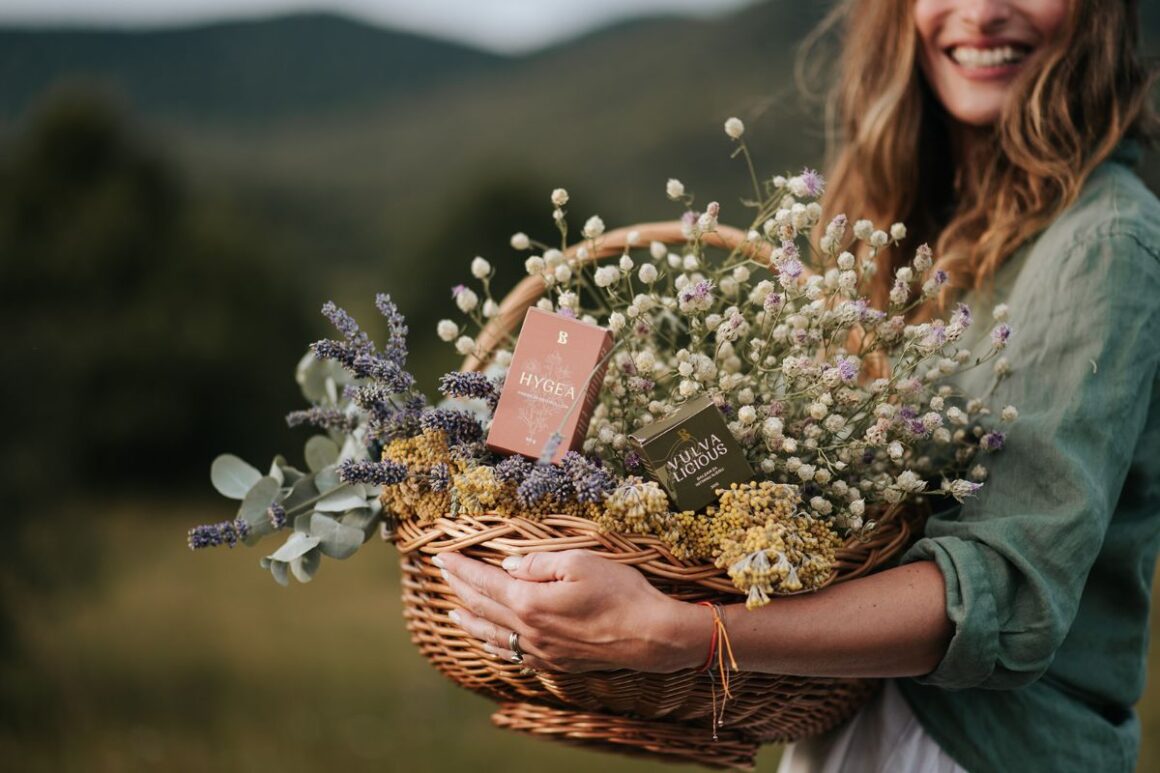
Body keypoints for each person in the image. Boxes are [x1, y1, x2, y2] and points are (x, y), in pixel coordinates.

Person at [435, 0, 1160, 769]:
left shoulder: (1103, 245)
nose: (980, 12)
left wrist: (681, 635)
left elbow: (1006, 596)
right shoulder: (921, 224)